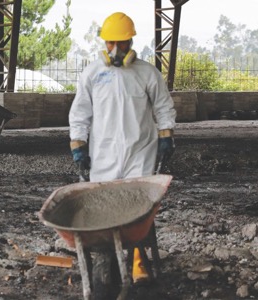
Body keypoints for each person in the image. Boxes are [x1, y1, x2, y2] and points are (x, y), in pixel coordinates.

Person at [68, 12, 177, 283]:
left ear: (131, 42)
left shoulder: (147, 73)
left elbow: (164, 107)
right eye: (110, 43)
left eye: (122, 43)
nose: (116, 50)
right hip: (104, 154)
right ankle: (108, 257)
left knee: (138, 208)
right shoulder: (93, 74)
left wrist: (166, 136)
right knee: (105, 211)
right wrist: (78, 144)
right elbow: (80, 113)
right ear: (104, 43)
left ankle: (138, 258)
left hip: (141, 150)